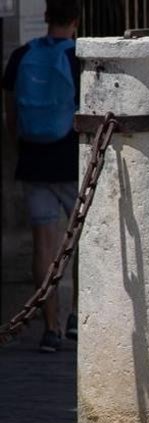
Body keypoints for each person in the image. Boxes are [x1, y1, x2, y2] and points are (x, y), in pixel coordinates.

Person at [2, 0, 81, 353]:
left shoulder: (21, 56)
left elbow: (11, 115)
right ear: (75, 21)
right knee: (83, 243)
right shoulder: (78, 59)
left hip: (34, 161)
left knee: (43, 247)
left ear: (46, 17)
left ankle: (50, 327)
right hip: (71, 162)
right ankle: (77, 315)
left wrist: (22, 147)